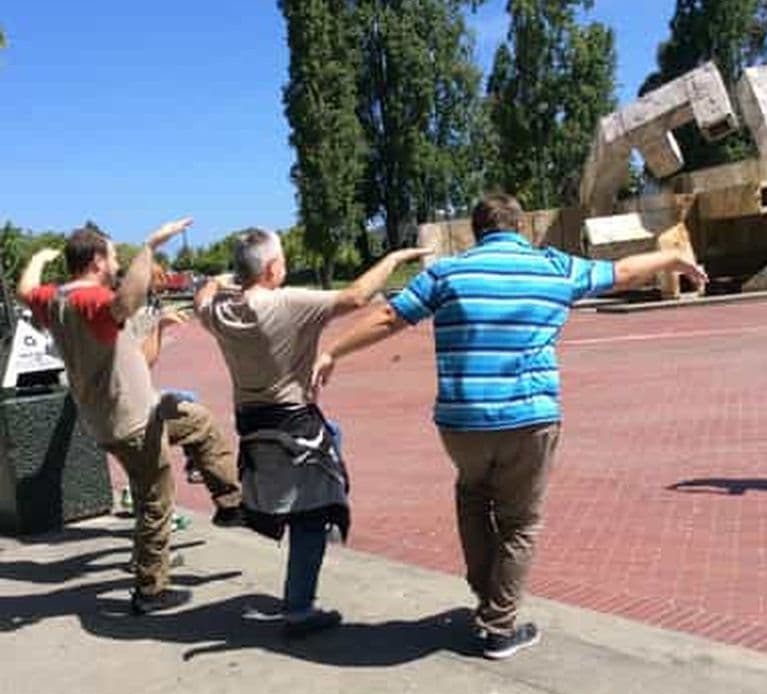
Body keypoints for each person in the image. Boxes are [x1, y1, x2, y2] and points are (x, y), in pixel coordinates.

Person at [312, 192, 708, 659]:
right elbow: (621, 272)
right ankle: (500, 626)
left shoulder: (447, 272)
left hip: (462, 421)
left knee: (473, 499)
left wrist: (332, 350)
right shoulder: (553, 267)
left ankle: (488, 597)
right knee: (520, 522)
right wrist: (675, 257)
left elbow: (388, 317)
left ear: (477, 231)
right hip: (529, 420)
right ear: (520, 228)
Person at [194, 229, 428, 637]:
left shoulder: (219, 313)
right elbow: (356, 296)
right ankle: (299, 610)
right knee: (311, 519)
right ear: (271, 268)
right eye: (281, 259)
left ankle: (289, 513)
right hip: (293, 425)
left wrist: (216, 282)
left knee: (330, 438)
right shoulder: (287, 303)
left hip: (253, 424)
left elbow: (201, 299)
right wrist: (392, 260)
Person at [17, 220, 243, 615]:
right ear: (97, 261)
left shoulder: (54, 299)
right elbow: (129, 300)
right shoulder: (89, 301)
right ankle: (150, 591)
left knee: (199, 422)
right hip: (132, 423)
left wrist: (37, 258)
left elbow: (24, 290)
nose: (118, 261)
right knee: (154, 500)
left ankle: (230, 504)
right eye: (113, 255)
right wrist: (150, 246)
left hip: (129, 414)